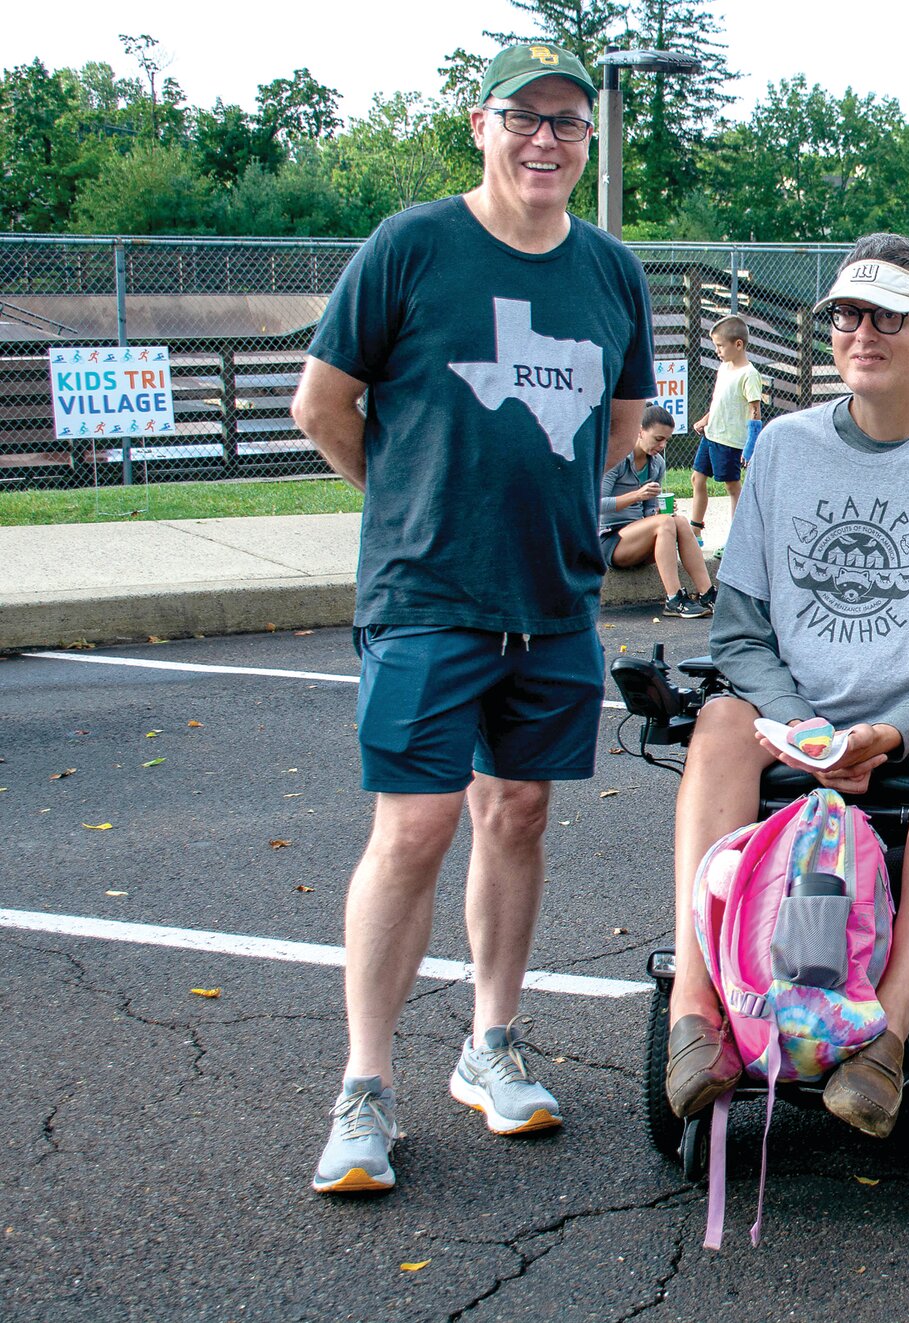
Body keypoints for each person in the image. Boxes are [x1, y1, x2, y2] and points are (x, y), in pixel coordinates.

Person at [289, 40, 656, 1194]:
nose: (545, 139)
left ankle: (491, 1044)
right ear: (479, 125)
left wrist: (547, 514)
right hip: (427, 597)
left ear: (588, 140)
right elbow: (323, 404)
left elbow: (619, 421)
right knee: (413, 830)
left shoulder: (610, 269)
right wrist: (410, 501)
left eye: (568, 122)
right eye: (523, 117)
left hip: (552, 601)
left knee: (520, 816)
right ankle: (365, 1087)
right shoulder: (413, 246)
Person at [663, 233, 909, 1138]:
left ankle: (887, 1034)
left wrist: (890, 733)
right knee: (718, 722)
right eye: (847, 314)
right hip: (793, 711)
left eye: (888, 316)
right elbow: (739, 630)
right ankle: (696, 1017)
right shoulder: (780, 448)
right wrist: (797, 726)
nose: (863, 332)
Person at [601, 405, 717, 618]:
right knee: (665, 522)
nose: (662, 445)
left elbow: (648, 514)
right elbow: (595, 504)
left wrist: (657, 512)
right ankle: (674, 599)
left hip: (639, 538)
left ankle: (707, 594)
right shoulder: (615, 458)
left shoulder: (657, 464)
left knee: (679, 521)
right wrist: (636, 495)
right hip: (611, 540)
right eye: (657, 439)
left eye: (666, 440)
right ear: (639, 431)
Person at [688, 315, 763, 545]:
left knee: (732, 486)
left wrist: (750, 446)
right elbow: (720, 402)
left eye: (720, 346)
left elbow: (754, 411)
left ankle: (736, 539)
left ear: (738, 344)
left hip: (730, 442)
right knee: (696, 479)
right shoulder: (723, 367)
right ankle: (696, 531)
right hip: (712, 435)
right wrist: (705, 420)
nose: (717, 351)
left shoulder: (749, 374)